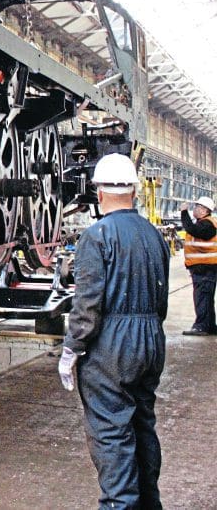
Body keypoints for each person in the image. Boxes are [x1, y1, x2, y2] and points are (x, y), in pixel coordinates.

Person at [58, 153, 169, 509]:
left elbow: (88, 304)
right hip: (150, 339)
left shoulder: (97, 236)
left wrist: (72, 348)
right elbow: (161, 300)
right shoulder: (155, 236)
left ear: (99, 194)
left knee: (112, 437)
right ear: (135, 191)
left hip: (112, 348)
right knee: (142, 427)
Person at [179, 195, 217, 336]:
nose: (194, 209)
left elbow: (193, 230)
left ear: (204, 210)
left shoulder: (207, 224)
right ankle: (210, 326)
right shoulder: (205, 223)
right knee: (206, 298)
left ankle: (201, 326)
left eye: (196, 207)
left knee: (202, 297)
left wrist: (184, 212)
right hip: (204, 268)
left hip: (205, 268)